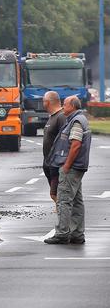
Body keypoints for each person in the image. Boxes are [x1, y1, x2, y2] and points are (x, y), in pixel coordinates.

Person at [45, 95, 91, 245]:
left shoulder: (76, 121)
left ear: (73, 106)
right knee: (77, 200)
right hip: (77, 167)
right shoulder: (76, 119)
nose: (63, 107)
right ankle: (77, 234)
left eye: (65, 105)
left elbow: (76, 144)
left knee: (64, 200)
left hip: (72, 167)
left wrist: (66, 166)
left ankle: (62, 233)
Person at [40, 91, 65, 204]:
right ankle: (62, 213)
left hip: (57, 163)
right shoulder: (52, 117)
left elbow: (64, 140)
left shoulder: (61, 117)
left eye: (43, 101)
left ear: (48, 102)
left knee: (55, 193)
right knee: (54, 194)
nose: (42, 103)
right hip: (48, 162)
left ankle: (64, 217)